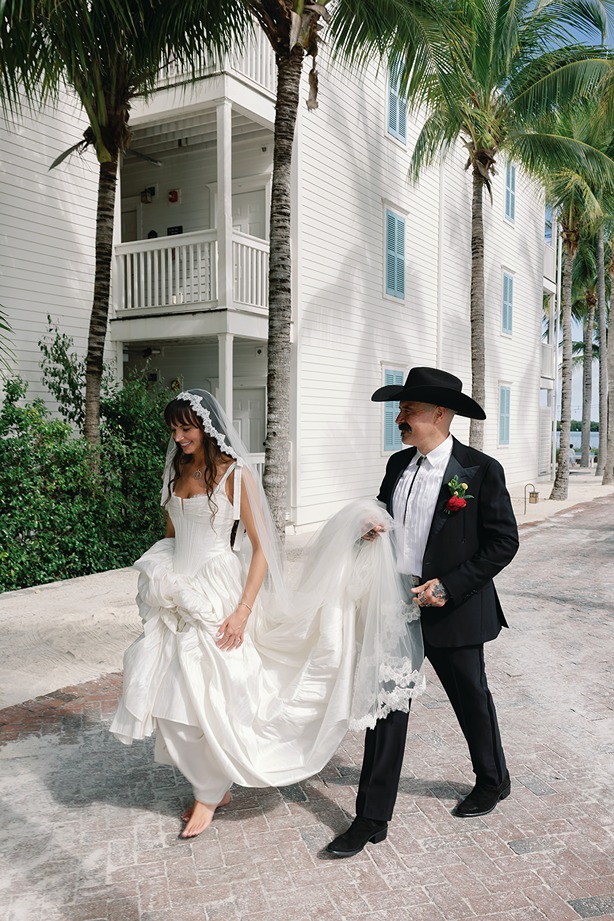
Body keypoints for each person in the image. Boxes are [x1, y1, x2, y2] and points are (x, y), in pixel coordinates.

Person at [110, 389, 425, 838]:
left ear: (206, 427)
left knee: (213, 691)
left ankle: (209, 792)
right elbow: (173, 532)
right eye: (174, 430)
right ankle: (212, 786)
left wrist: (242, 611)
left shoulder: (235, 475)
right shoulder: (177, 469)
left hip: (220, 591)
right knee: (168, 697)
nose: (178, 437)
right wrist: (161, 579)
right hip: (178, 591)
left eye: (186, 428)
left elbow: (260, 549)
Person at [327, 367, 519, 858]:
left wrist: (449, 587)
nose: (400, 417)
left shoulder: (480, 471)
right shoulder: (397, 465)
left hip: (453, 608)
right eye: (400, 409)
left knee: (470, 698)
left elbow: (503, 542)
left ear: (438, 414)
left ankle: (493, 779)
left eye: (407, 410)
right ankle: (371, 817)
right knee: (387, 707)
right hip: (397, 607)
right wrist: (373, 527)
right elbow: (388, 517)